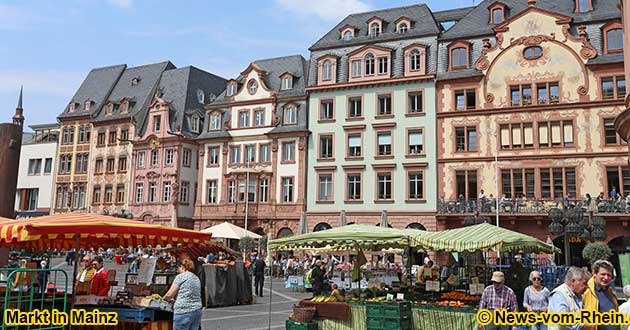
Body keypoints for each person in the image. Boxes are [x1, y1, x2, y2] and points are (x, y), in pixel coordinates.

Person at [164, 259, 202, 330]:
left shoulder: (180, 277)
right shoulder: (196, 278)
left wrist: (162, 299)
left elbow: (169, 294)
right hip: (196, 311)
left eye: (178, 267)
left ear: (182, 267)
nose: (178, 269)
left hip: (183, 312)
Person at [582, 260, 619, 330]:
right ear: (594, 273)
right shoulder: (585, 291)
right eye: (603, 274)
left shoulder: (610, 292)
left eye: (609, 275)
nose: (606, 278)